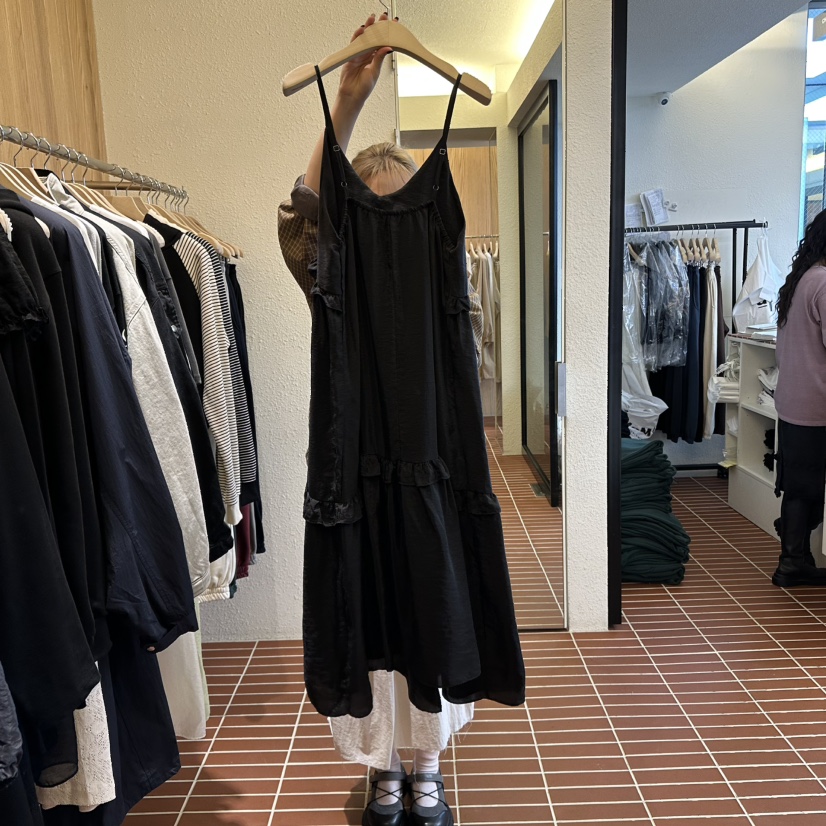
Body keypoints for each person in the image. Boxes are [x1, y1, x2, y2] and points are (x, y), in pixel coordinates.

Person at [278, 12, 525, 826]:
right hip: (354, 466)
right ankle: (384, 767)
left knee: (435, 611)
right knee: (373, 617)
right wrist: (347, 100)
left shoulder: (444, 245)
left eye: (400, 209)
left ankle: (427, 767)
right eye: (368, 209)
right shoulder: (324, 255)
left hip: (433, 466)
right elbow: (303, 213)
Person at [773, 210, 826, 587]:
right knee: (806, 486)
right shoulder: (823, 282)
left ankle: (798, 557)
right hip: (816, 403)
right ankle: (792, 562)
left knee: (798, 482)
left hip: (793, 400)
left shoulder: (802, 279)